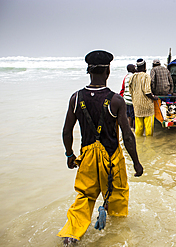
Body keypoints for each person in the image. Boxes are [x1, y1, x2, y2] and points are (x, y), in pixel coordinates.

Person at [57, 50, 143, 245]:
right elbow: (128, 136)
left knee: (85, 196)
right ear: (108, 72)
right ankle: (115, 235)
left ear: (89, 71)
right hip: (111, 157)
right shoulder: (116, 100)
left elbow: (66, 131)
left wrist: (69, 154)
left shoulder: (76, 98)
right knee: (118, 195)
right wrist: (136, 162)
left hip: (86, 156)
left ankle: (71, 235)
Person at [129, 58, 158, 136]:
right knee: (149, 130)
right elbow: (147, 92)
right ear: (145, 66)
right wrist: (154, 98)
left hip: (137, 105)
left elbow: (130, 91)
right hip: (147, 106)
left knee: (138, 129)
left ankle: (138, 144)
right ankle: (148, 145)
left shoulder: (132, 77)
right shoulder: (146, 76)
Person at [120, 64, 136, 128]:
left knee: (129, 117)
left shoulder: (125, 77)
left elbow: (123, 88)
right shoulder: (134, 77)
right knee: (135, 117)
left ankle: (130, 129)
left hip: (126, 100)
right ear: (133, 69)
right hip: (132, 100)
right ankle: (135, 131)